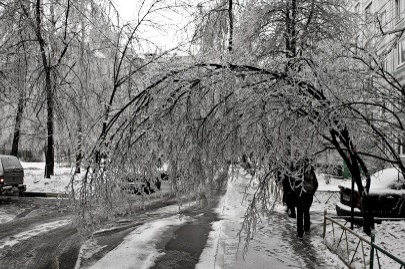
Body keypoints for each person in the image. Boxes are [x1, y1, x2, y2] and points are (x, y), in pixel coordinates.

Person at [294, 158, 318, 239]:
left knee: (300, 214)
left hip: (301, 196)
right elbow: (316, 184)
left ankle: (300, 233)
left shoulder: (300, 171)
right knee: (307, 212)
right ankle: (307, 229)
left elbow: (295, 184)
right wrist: (311, 192)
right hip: (309, 196)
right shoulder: (311, 172)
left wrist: (297, 193)